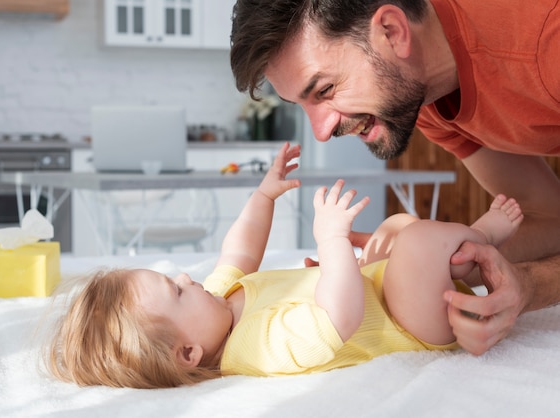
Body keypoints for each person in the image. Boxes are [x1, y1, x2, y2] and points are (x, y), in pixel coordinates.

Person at [45, 142, 523, 388]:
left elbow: (238, 252)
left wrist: (263, 195)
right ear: (189, 355)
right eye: (176, 291)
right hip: (408, 324)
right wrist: (331, 243)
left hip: (380, 288)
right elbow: (338, 319)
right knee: (416, 241)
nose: (186, 277)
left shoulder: (218, 304)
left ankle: (454, 260)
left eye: (174, 278)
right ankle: (481, 239)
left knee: (396, 226)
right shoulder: (254, 348)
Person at [229, 0, 560, 355]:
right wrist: (430, 261)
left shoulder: (546, 43)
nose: (320, 132)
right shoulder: (427, 94)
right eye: (301, 104)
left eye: (324, 90)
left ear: (392, 31)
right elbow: (547, 219)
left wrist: (532, 286)